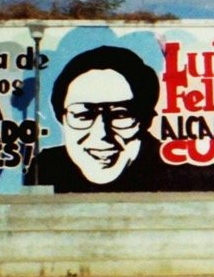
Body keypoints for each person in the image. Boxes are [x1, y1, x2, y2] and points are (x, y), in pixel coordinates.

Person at [32, 45, 173, 193]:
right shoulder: (44, 169)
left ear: (145, 120)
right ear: (62, 119)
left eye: (120, 114)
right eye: (83, 115)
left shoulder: (178, 174)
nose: (102, 134)